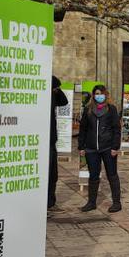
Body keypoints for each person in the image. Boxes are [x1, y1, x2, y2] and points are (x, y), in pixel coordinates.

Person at [77, 85, 123, 213]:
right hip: (91, 149)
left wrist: (115, 147)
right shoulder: (88, 110)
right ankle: (91, 203)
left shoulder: (111, 109)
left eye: (101, 93)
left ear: (105, 95)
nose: (99, 96)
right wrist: (81, 146)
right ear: (93, 95)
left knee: (112, 175)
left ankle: (116, 203)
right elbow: (83, 129)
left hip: (108, 148)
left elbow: (116, 129)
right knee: (93, 176)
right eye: (96, 93)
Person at [48, 76, 69, 211]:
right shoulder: (42, 96)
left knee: (53, 174)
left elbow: (64, 101)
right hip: (42, 140)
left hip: (51, 140)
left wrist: (57, 88)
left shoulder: (53, 95)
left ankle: (50, 203)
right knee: (47, 174)